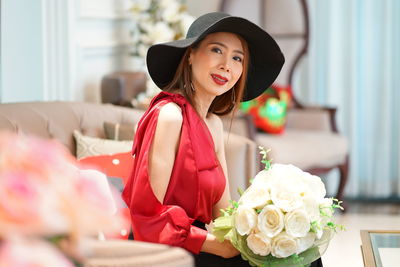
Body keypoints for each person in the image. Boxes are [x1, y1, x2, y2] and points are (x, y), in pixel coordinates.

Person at [122, 12, 322, 267]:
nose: (227, 65)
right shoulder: (169, 116)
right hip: (164, 250)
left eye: (237, 58)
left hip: (198, 243)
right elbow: (147, 218)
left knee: (300, 254)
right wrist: (216, 246)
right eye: (217, 50)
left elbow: (223, 215)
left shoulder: (214, 125)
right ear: (190, 55)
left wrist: (270, 223)